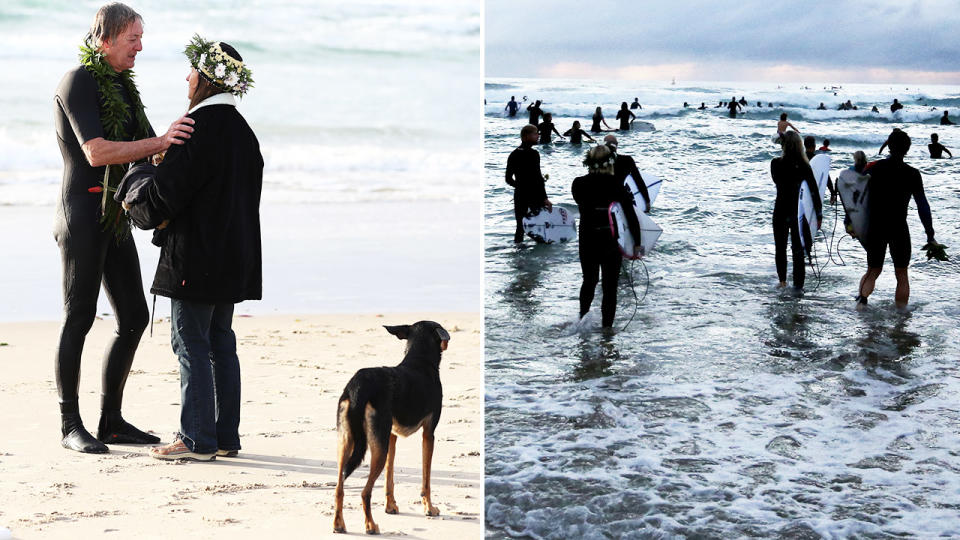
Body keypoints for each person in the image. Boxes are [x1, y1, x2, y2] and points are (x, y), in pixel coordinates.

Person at [52, 2, 195, 454]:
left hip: (114, 218)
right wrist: (159, 142)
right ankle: (69, 424)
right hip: (81, 214)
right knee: (79, 316)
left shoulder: (123, 87)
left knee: (133, 316)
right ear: (106, 38)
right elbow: (96, 152)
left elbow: (154, 151)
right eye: (132, 38)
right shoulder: (78, 81)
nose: (139, 47)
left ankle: (110, 420)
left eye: (141, 38)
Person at [121, 35, 261, 460]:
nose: (187, 76)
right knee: (220, 342)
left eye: (193, 70)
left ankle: (197, 439)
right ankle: (223, 437)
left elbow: (164, 198)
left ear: (207, 79)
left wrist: (138, 176)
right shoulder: (244, 134)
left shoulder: (195, 130)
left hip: (195, 259)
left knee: (190, 344)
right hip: (233, 259)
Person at [855, 129, 940, 310]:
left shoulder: (873, 168)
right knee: (902, 273)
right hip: (899, 228)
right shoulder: (912, 174)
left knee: (873, 270)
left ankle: (861, 306)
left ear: (888, 146)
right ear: (907, 149)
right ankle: (901, 320)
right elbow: (922, 206)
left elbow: (855, 196)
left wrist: (853, 223)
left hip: (875, 227)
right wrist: (930, 234)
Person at [571, 144, 641, 328]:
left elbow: (580, 202)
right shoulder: (616, 185)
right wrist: (637, 242)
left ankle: (582, 319)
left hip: (587, 238)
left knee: (589, 281)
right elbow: (630, 214)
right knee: (610, 287)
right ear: (610, 162)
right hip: (610, 239)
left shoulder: (578, 183)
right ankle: (607, 331)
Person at [770, 131, 821, 290]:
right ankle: (798, 288)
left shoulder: (775, 164)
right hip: (798, 212)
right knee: (798, 250)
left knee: (780, 248)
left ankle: (783, 281)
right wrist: (818, 215)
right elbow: (813, 191)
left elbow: (778, 181)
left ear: (783, 145)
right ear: (800, 146)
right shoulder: (804, 166)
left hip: (780, 210)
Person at [505, 125, 552, 243]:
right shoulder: (533, 154)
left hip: (520, 195)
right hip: (534, 195)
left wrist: (520, 186)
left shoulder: (514, 154)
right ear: (526, 136)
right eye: (535, 134)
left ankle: (519, 255)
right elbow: (538, 178)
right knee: (540, 225)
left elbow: (508, 179)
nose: (538, 136)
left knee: (520, 227)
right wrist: (545, 198)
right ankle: (539, 256)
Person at [604, 134, 650, 212]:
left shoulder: (599, 161)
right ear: (617, 145)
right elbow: (638, 180)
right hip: (621, 198)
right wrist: (647, 201)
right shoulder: (627, 160)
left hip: (603, 198)